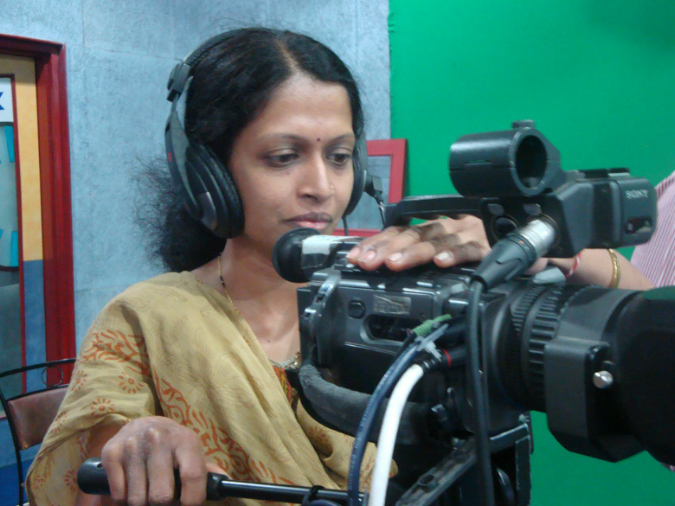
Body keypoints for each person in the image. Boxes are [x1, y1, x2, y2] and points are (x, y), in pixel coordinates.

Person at [26, 28, 488, 506]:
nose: (322, 187)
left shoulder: (398, 304)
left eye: (339, 157)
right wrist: (140, 448)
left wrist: (509, 260)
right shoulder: (143, 320)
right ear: (208, 174)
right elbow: (91, 484)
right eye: (283, 157)